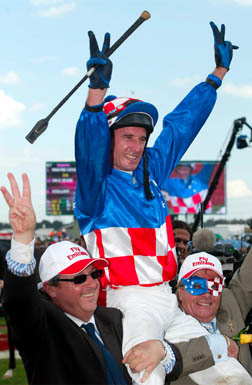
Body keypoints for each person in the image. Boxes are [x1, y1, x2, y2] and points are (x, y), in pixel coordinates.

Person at [74, 21, 238, 385]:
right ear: (109, 138)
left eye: (142, 138)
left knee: (230, 372)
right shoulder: (95, 188)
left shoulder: (150, 170)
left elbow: (182, 126)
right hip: (129, 301)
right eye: (127, 136)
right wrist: (96, 94)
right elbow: (88, 148)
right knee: (147, 374)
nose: (136, 146)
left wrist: (217, 76)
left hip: (167, 298)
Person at [0, 173, 182, 385]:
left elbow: (175, 364)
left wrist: (162, 350)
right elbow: (19, 302)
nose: (91, 283)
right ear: (50, 288)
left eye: (94, 274)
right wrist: (23, 240)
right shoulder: (44, 328)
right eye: (78, 279)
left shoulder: (115, 318)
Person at [170, 251, 252, 384]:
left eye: (214, 286)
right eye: (196, 286)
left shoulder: (231, 303)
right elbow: (171, 358)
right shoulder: (166, 324)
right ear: (180, 292)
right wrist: (220, 345)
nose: (207, 294)